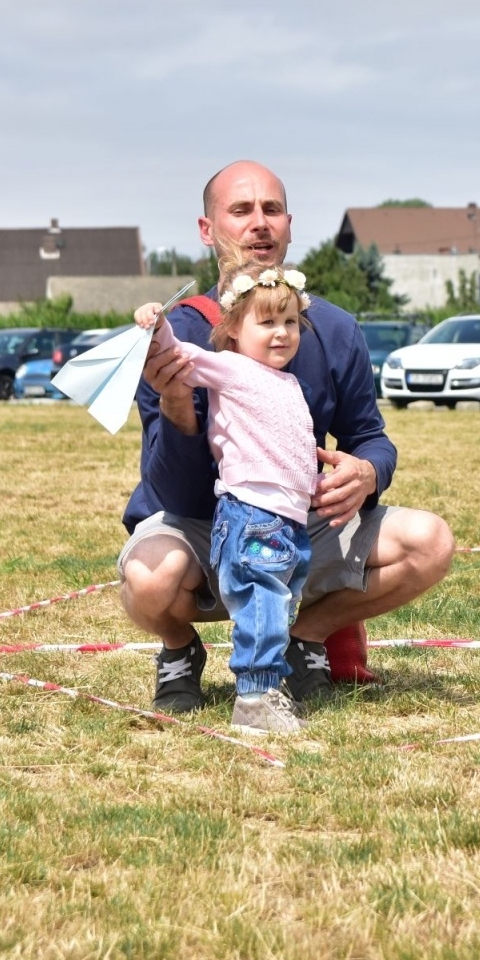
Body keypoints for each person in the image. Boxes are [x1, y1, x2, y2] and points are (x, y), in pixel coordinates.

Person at [118, 161, 455, 713]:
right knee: (150, 576)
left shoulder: (335, 328)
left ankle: (306, 638)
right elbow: (172, 493)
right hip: (201, 526)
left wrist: (367, 472)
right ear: (207, 230)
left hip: (294, 521)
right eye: (241, 210)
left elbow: (370, 437)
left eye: (271, 209)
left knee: (430, 543)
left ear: (289, 226)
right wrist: (177, 405)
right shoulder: (173, 339)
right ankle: (179, 648)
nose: (259, 223)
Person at [133, 260, 319, 734]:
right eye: (267, 321)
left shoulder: (288, 382)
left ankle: (266, 689)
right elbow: (179, 355)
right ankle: (255, 697)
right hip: (254, 515)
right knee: (261, 600)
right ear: (233, 328)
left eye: (290, 321)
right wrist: (157, 324)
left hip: (287, 519)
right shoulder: (233, 368)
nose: (282, 332)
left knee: (277, 604)